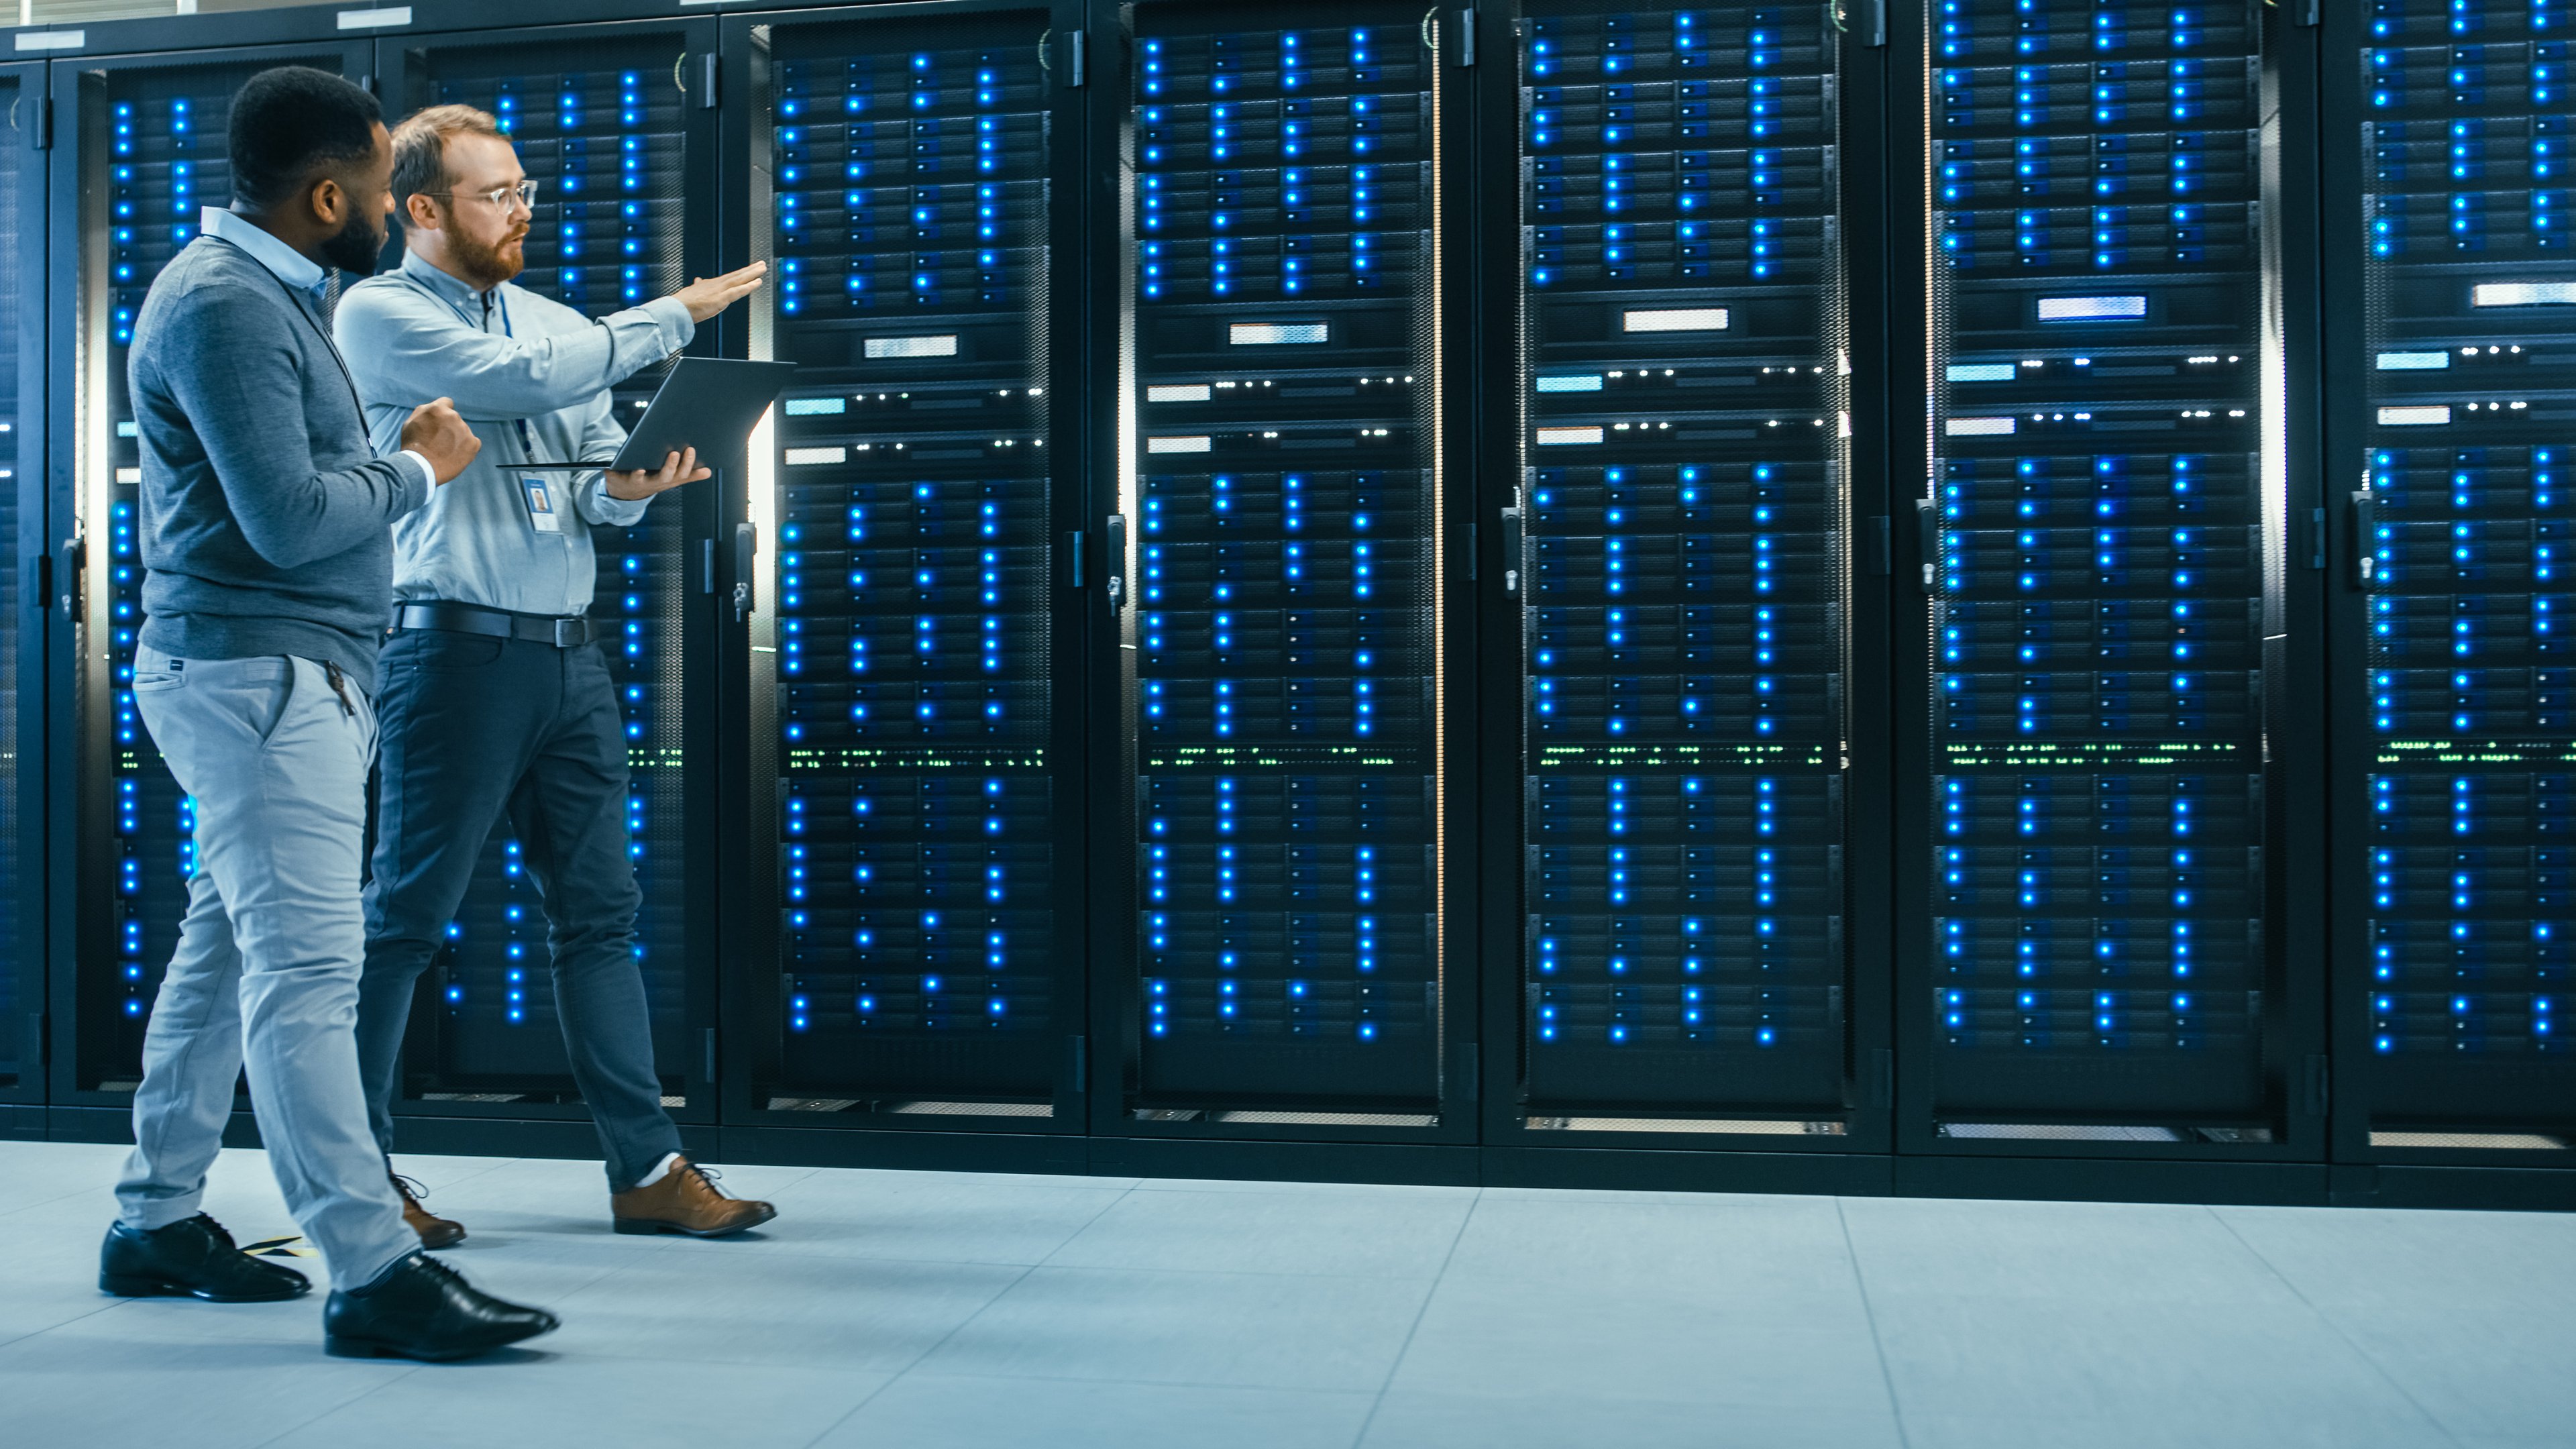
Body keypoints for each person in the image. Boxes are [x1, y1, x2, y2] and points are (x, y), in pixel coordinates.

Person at [103, 65, 558, 1361]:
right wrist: (418, 467)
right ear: (323, 193)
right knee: (309, 974)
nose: (389, 209)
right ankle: (374, 1269)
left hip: (278, 676)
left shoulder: (270, 293)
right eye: (373, 188)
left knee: (227, 957)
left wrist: (382, 461)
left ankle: (153, 1217)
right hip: (260, 677)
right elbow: (292, 522)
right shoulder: (228, 306)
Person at [335, 105, 772, 1243]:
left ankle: (649, 1172)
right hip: (450, 653)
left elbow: (578, 461)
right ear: (422, 209)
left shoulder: (551, 320)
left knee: (600, 917)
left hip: (568, 659)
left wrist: (623, 490)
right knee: (406, 920)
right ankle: (360, 1176)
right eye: (497, 194)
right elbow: (525, 384)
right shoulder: (380, 313)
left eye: (526, 189)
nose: (521, 209)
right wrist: (672, 315)